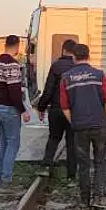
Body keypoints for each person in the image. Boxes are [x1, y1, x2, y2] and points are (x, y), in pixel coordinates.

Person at [59, 43, 106, 209]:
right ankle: (98, 197)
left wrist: (73, 121)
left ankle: (84, 199)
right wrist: (105, 118)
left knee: (83, 163)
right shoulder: (99, 74)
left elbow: (64, 106)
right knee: (99, 162)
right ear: (88, 56)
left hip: (80, 126)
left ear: (73, 57)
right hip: (98, 125)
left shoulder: (66, 77)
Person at [0, 36, 30, 189]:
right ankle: (6, 180)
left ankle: (1, 176)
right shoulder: (13, 65)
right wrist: (23, 110)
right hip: (9, 108)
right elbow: (14, 92)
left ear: (5, 45)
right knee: (13, 143)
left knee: (4, 143)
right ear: (17, 46)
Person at [37, 39, 78, 180]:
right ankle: (71, 174)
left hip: (56, 109)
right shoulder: (77, 67)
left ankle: (46, 166)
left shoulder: (55, 66)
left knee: (54, 138)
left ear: (63, 50)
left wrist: (41, 107)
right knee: (72, 142)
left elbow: (48, 90)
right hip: (73, 112)